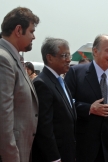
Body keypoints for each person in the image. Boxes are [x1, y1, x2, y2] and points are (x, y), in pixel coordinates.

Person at [65, 34, 108, 162]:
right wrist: (89, 109)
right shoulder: (76, 73)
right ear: (95, 51)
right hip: (81, 148)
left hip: (107, 150)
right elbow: (66, 105)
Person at [0, 7, 39, 162]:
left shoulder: (11, 58)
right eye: (31, 31)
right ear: (18, 30)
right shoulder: (3, 59)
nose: (34, 37)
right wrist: (11, 157)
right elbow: (3, 114)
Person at [32, 38, 77, 162]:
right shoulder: (43, 83)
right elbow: (44, 127)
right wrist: (54, 158)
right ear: (50, 58)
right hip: (53, 156)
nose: (69, 59)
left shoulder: (60, 80)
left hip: (67, 153)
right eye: (64, 55)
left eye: (69, 55)